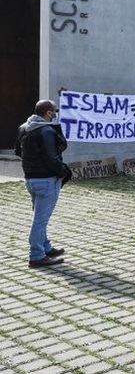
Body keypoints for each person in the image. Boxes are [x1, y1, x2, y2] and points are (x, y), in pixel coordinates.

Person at [16, 99, 71, 268]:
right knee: (40, 220)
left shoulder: (24, 127)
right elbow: (51, 158)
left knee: (39, 216)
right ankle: (37, 256)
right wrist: (63, 172)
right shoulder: (46, 130)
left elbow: (18, 152)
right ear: (48, 113)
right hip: (46, 180)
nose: (56, 113)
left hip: (30, 179)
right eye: (55, 111)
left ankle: (45, 247)